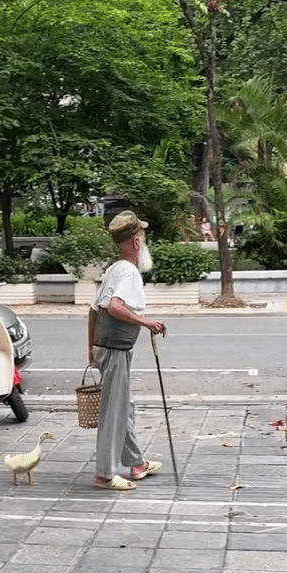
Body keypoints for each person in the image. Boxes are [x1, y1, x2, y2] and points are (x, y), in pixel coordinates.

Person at [87, 210, 166, 492]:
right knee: (115, 413)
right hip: (115, 350)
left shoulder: (114, 269)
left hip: (107, 348)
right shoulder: (129, 272)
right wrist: (146, 322)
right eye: (143, 238)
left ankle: (136, 462)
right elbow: (114, 307)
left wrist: (90, 349)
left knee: (124, 407)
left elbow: (93, 310)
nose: (144, 244)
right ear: (135, 243)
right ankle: (105, 475)